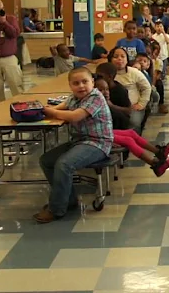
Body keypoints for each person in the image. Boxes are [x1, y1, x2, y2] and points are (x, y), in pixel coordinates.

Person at [34, 67, 113, 223]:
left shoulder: (95, 97)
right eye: (76, 83)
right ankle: (68, 200)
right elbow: (60, 107)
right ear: (70, 86)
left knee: (64, 164)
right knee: (46, 161)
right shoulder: (74, 98)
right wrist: (41, 111)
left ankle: (56, 209)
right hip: (79, 142)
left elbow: (75, 116)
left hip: (98, 143)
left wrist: (50, 112)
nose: (81, 86)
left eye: (85, 82)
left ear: (93, 83)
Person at [94, 77, 169, 176]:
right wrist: (110, 140)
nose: (105, 92)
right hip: (98, 136)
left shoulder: (103, 102)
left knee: (131, 133)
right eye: (100, 90)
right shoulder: (94, 105)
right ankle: (155, 164)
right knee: (128, 140)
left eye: (106, 89)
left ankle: (159, 152)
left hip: (105, 132)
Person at [108, 47, 151, 133]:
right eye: (116, 56)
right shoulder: (107, 73)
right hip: (113, 107)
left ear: (127, 60)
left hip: (133, 107)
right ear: (110, 60)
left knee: (133, 123)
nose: (119, 59)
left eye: (122, 56)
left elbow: (146, 88)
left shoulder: (134, 72)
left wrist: (141, 104)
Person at [95, 62, 132, 130]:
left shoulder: (120, 90)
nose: (98, 78)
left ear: (110, 77)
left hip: (119, 123)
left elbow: (128, 111)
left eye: (101, 76)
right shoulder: (98, 86)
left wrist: (112, 106)